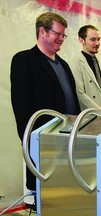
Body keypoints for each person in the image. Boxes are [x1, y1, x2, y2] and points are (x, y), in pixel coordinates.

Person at [10, 12, 81, 208]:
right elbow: (21, 105)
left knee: (65, 194)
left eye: (63, 35)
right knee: (45, 198)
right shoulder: (24, 60)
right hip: (42, 142)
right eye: (58, 34)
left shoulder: (64, 65)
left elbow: (72, 101)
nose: (61, 39)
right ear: (42, 31)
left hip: (67, 139)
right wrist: (29, 141)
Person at [70, 25, 101, 114]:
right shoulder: (74, 63)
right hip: (89, 116)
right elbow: (79, 93)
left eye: (98, 39)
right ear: (81, 40)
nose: (97, 43)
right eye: (93, 39)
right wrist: (100, 111)